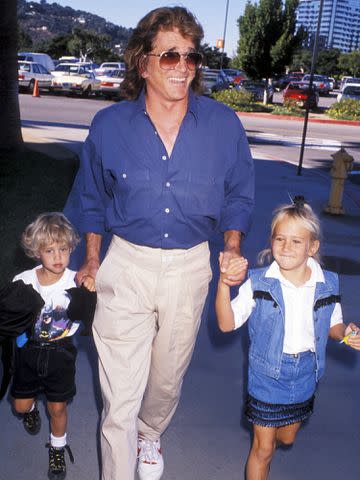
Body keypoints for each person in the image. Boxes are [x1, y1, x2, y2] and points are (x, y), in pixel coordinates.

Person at [75, 6, 254, 480]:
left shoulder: (223, 125)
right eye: (170, 55)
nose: (182, 67)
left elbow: (238, 194)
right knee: (118, 402)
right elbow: (92, 198)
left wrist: (232, 247)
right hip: (126, 265)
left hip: (190, 267)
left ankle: (151, 433)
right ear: (143, 63)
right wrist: (92, 259)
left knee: (166, 380)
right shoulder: (109, 126)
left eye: (191, 57)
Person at [215, 198, 360, 480]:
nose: (286, 247)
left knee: (287, 439)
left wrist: (347, 334)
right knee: (263, 449)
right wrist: (223, 285)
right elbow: (225, 323)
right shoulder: (258, 283)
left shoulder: (327, 282)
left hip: (306, 373)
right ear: (271, 242)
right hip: (266, 375)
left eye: (296, 241)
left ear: (312, 247)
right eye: (280, 239)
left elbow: (334, 323)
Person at [11, 212, 94, 480]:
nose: (58, 256)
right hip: (29, 352)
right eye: (50, 250)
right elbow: (11, 316)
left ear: (71, 249)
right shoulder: (23, 281)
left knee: (57, 407)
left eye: (64, 249)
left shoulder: (76, 281)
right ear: (37, 252)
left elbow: (93, 313)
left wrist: (91, 291)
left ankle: (58, 448)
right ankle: (31, 408)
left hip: (61, 353)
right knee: (20, 406)